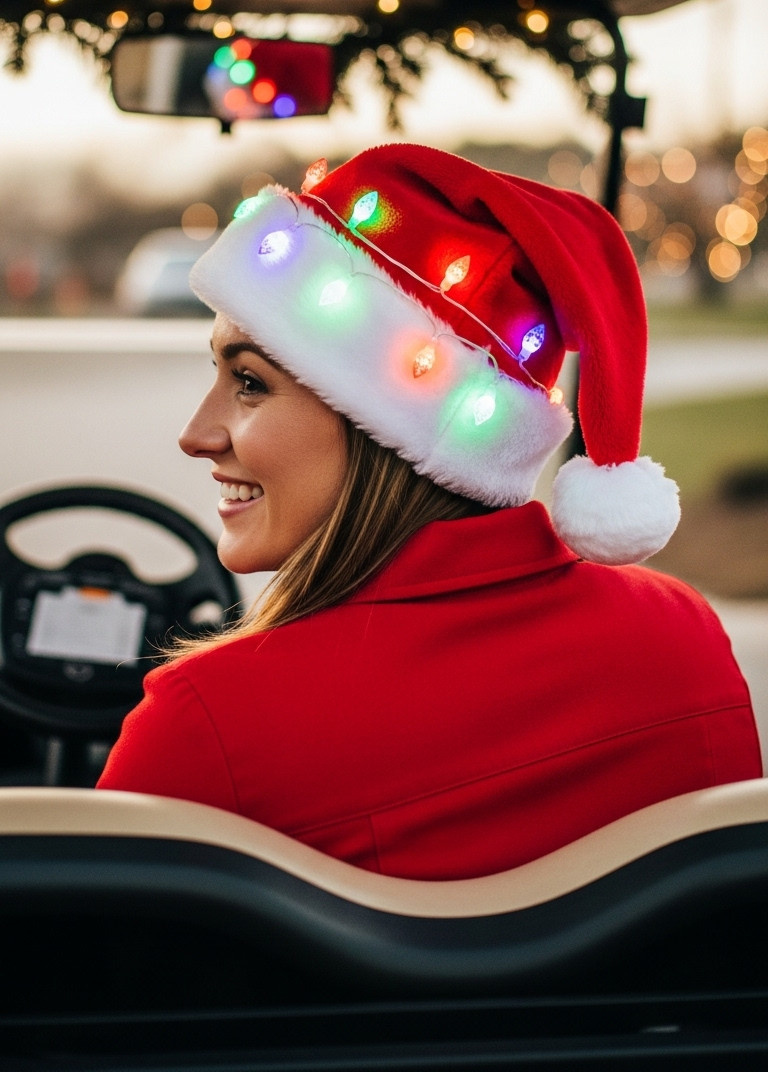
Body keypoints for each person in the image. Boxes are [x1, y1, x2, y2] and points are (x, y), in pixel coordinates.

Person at [98, 144, 761, 879]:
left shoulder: (207, 724)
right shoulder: (680, 640)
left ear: (379, 425)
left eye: (249, 382)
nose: (197, 433)